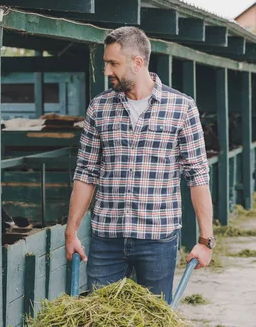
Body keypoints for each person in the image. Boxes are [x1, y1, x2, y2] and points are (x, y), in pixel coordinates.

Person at [64, 26, 215, 304]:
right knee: (100, 318)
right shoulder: (99, 108)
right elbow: (86, 173)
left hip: (157, 239)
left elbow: (198, 177)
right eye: (106, 63)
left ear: (137, 62)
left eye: (113, 63)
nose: (108, 71)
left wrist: (206, 242)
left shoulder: (181, 108)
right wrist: (71, 232)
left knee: (154, 318)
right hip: (106, 238)